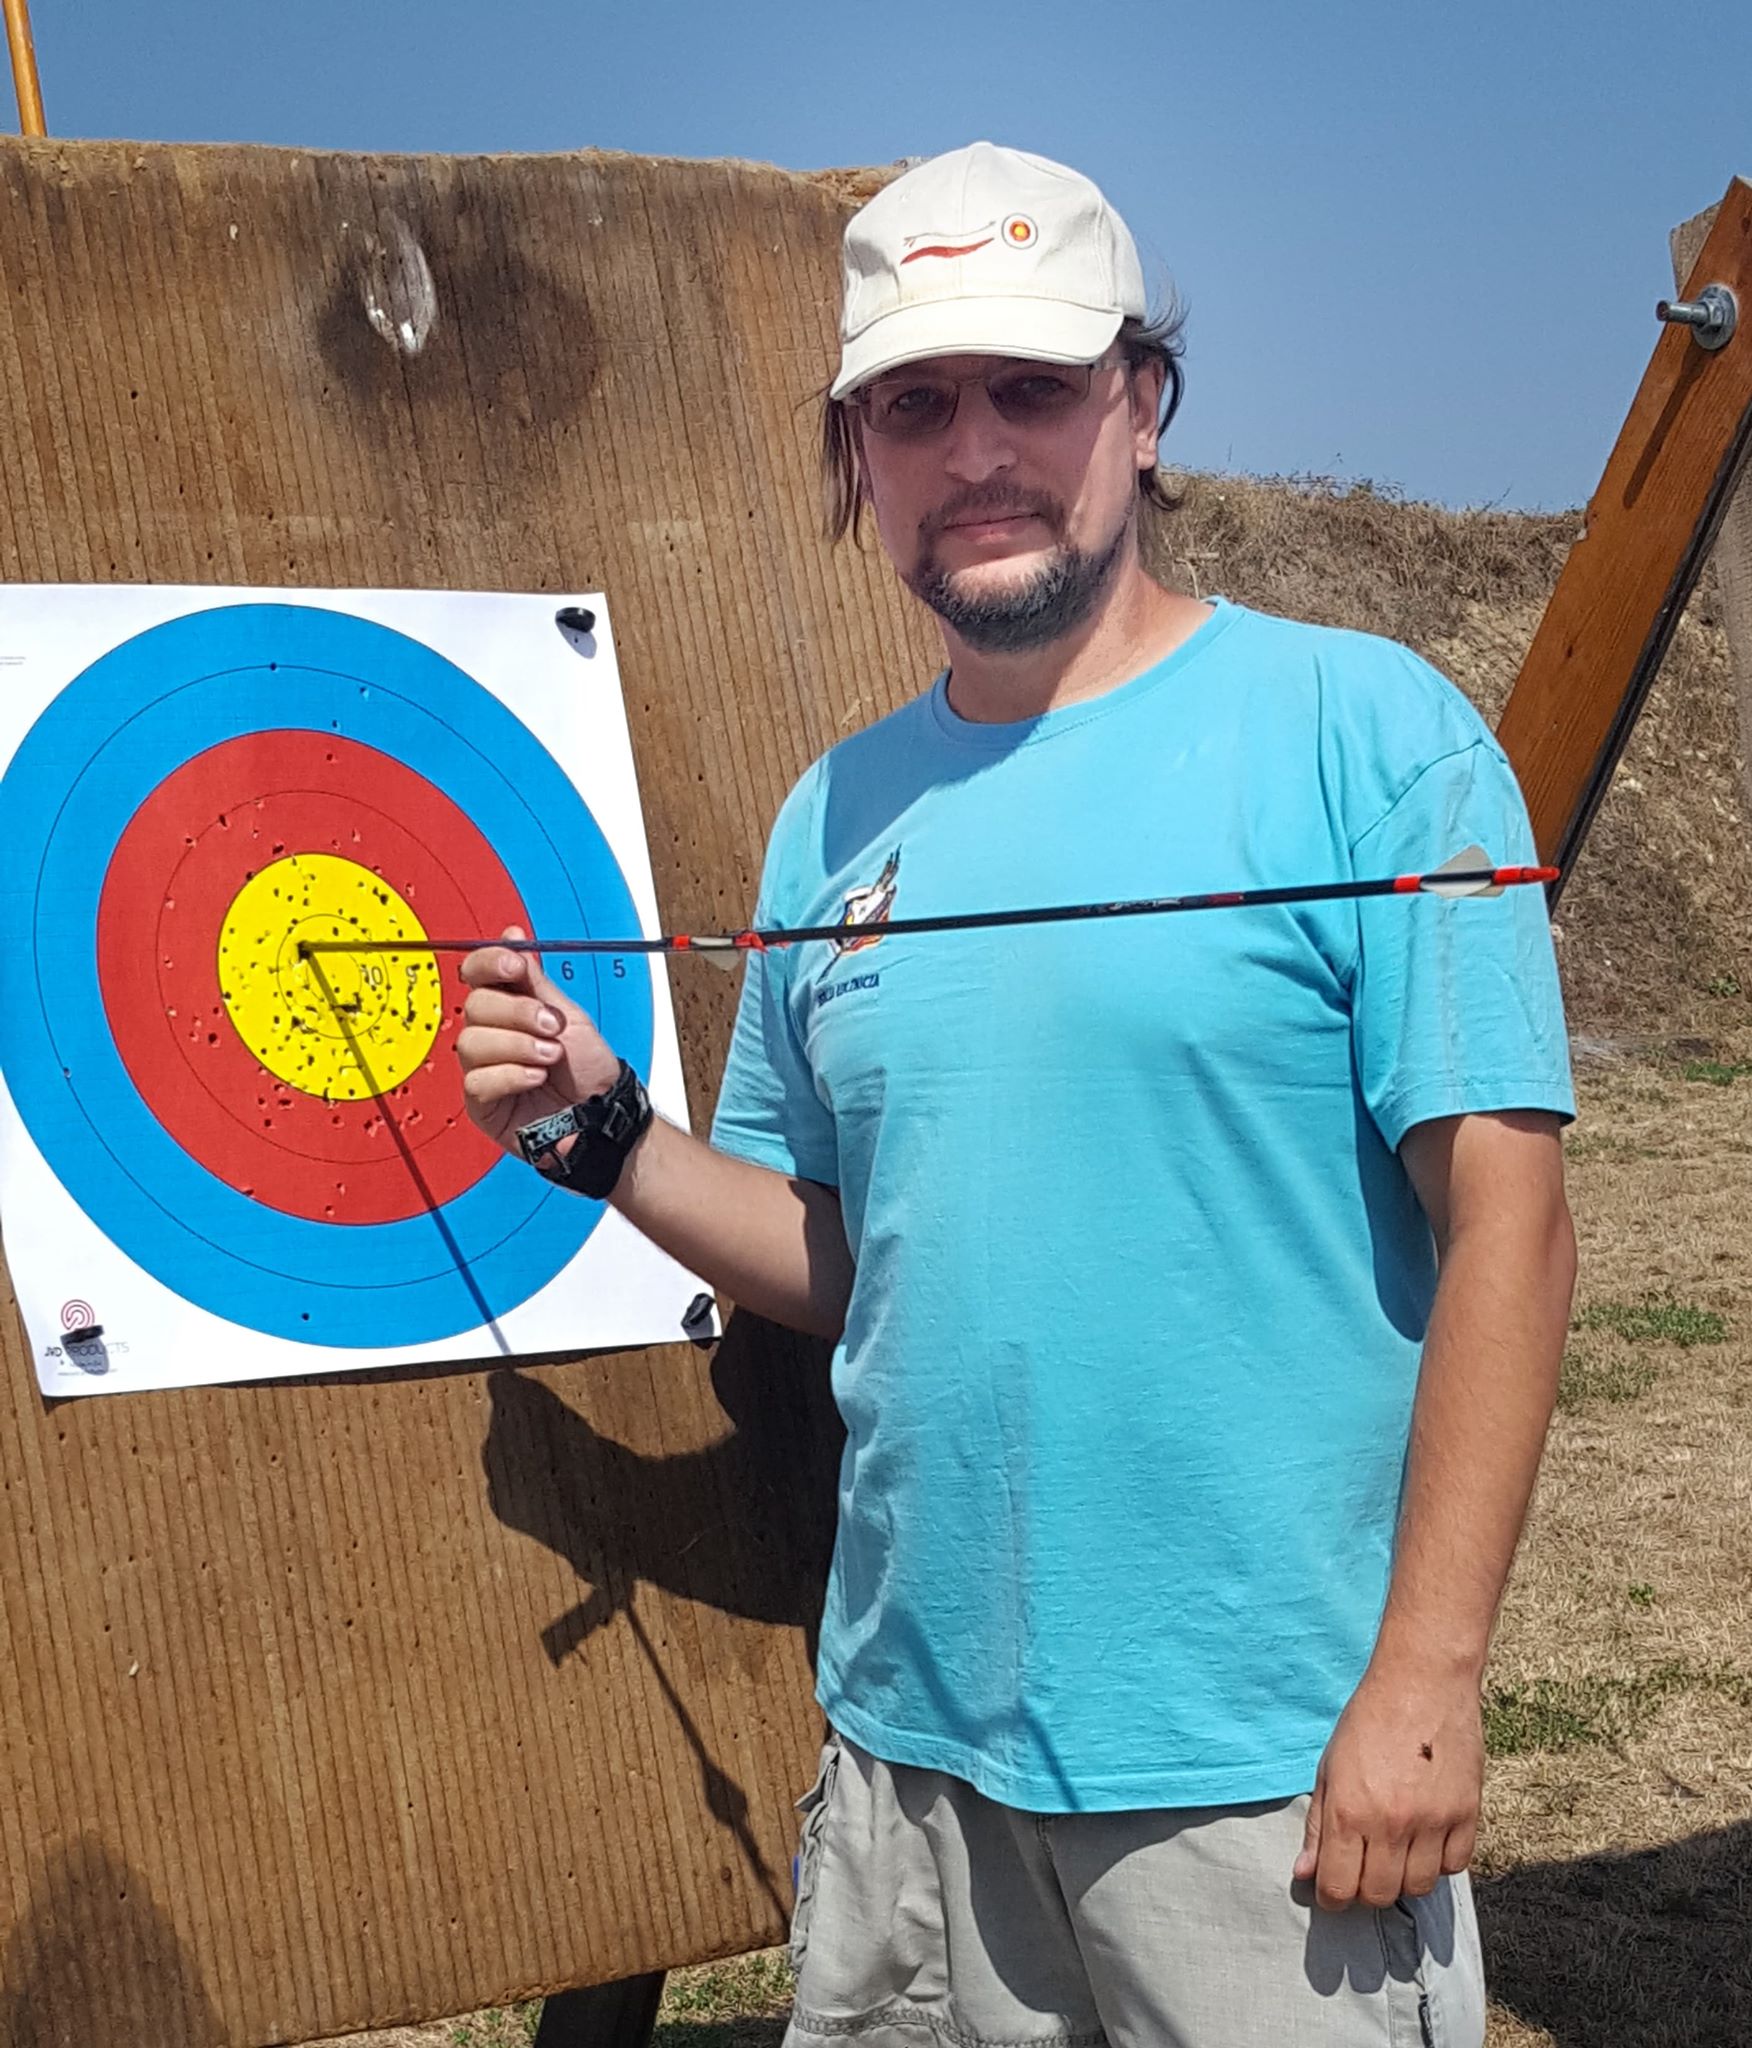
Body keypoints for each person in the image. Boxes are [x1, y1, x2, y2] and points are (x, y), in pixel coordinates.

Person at [456, 141, 1576, 2048]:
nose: (974, 451)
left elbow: (1513, 1229)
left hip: (1262, 1777)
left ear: (1141, 404)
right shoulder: (834, 815)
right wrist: (607, 1131)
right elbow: (845, 1254)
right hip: (912, 1760)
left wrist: (1429, 1680)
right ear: (857, 453)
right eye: (913, 405)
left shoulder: (1372, 734)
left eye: (1030, 389)